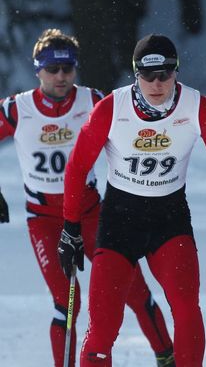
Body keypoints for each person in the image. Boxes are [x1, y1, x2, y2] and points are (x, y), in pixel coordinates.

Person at [58, 33, 206, 367]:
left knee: (186, 310)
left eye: (165, 74)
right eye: (148, 75)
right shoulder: (112, 108)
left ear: (176, 72)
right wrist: (70, 227)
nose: (157, 83)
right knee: (102, 328)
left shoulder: (197, 106)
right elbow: (77, 166)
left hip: (168, 220)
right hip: (118, 223)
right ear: (135, 73)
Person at [0, 29, 175, 367]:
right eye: (53, 70)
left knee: (134, 290)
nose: (61, 77)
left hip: (92, 213)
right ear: (38, 70)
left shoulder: (93, 101)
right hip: (45, 220)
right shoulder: (17, 109)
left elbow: (136, 132)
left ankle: (167, 356)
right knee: (67, 301)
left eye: (68, 69)